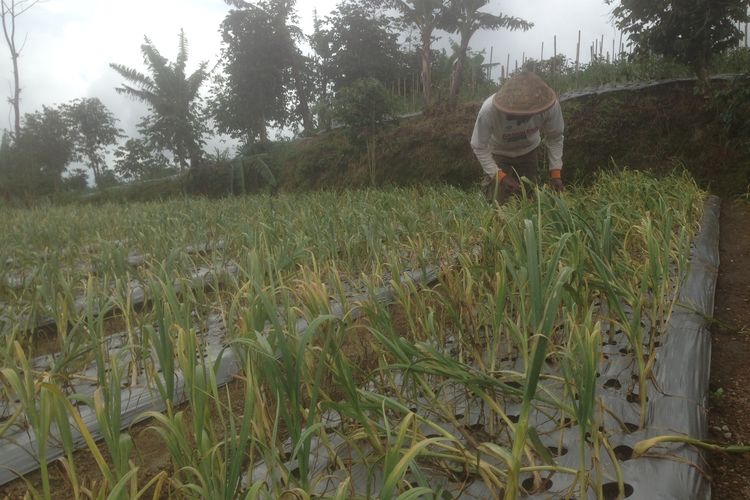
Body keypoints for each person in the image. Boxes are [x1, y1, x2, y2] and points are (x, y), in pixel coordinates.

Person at [470, 71, 564, 204]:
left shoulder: (549, 107)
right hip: (498, 152)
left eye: (523, 117)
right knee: (496, 201)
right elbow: (478, 146)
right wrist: (499, 176)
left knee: (528, 197)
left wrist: (555, 174)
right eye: (513, 115)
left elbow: (555, 138)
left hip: (529, 151)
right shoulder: (488, 111)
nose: (519, 123)